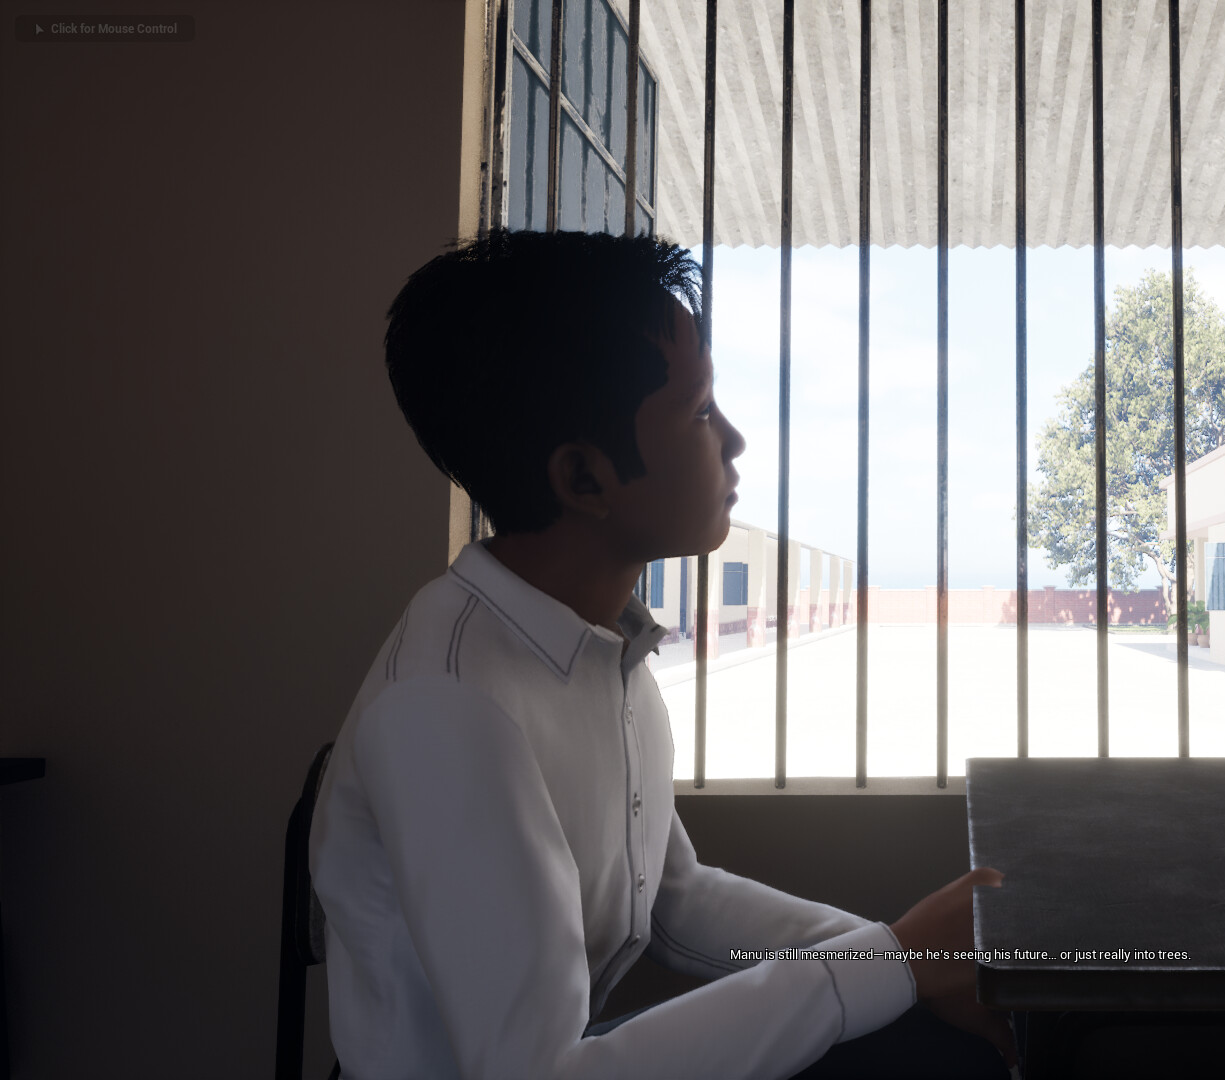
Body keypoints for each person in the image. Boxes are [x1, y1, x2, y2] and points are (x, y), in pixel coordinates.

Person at [309, 228, 1016, 1079]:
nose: (734, 440)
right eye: (700, 412)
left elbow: (673, 900)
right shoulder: (449, 707)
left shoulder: (598, 647)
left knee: (924, 1038)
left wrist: (901, 963)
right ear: (584, 479)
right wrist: (895, 961)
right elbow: (537, 1073)